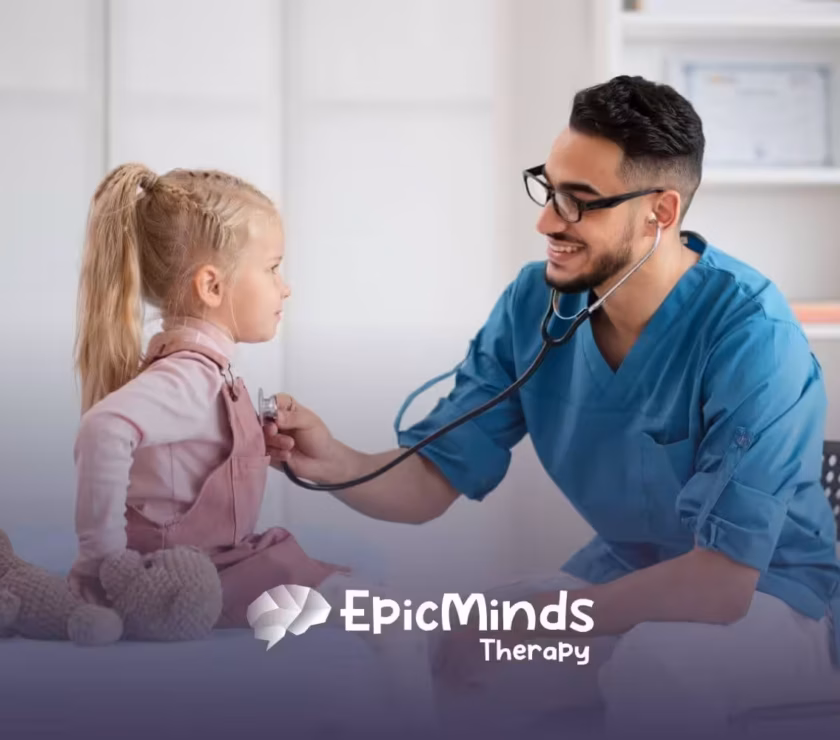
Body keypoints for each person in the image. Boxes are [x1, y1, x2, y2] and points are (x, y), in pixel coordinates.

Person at [264, 76, 840, 738]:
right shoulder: (535, 304)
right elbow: (433, 480)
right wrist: (333, 462)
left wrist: (547, 618)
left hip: (773, 603)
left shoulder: (752, 336)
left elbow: (722, 585)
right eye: (548, 187)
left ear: (660, 211)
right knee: (437, 640)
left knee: (658, 664)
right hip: (626, 582)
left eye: (579, 202)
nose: (546, 221)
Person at [69, 163, 435, 731]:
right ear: (213, 286)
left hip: (221, 563)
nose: (285, 286)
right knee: (390, 614)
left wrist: (245, 450)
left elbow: (179, 474)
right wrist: (103, 562)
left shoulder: (199, 373)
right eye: (272, 269)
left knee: (368, 591)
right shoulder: (190, 377)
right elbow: (102, 429)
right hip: (207, 574)